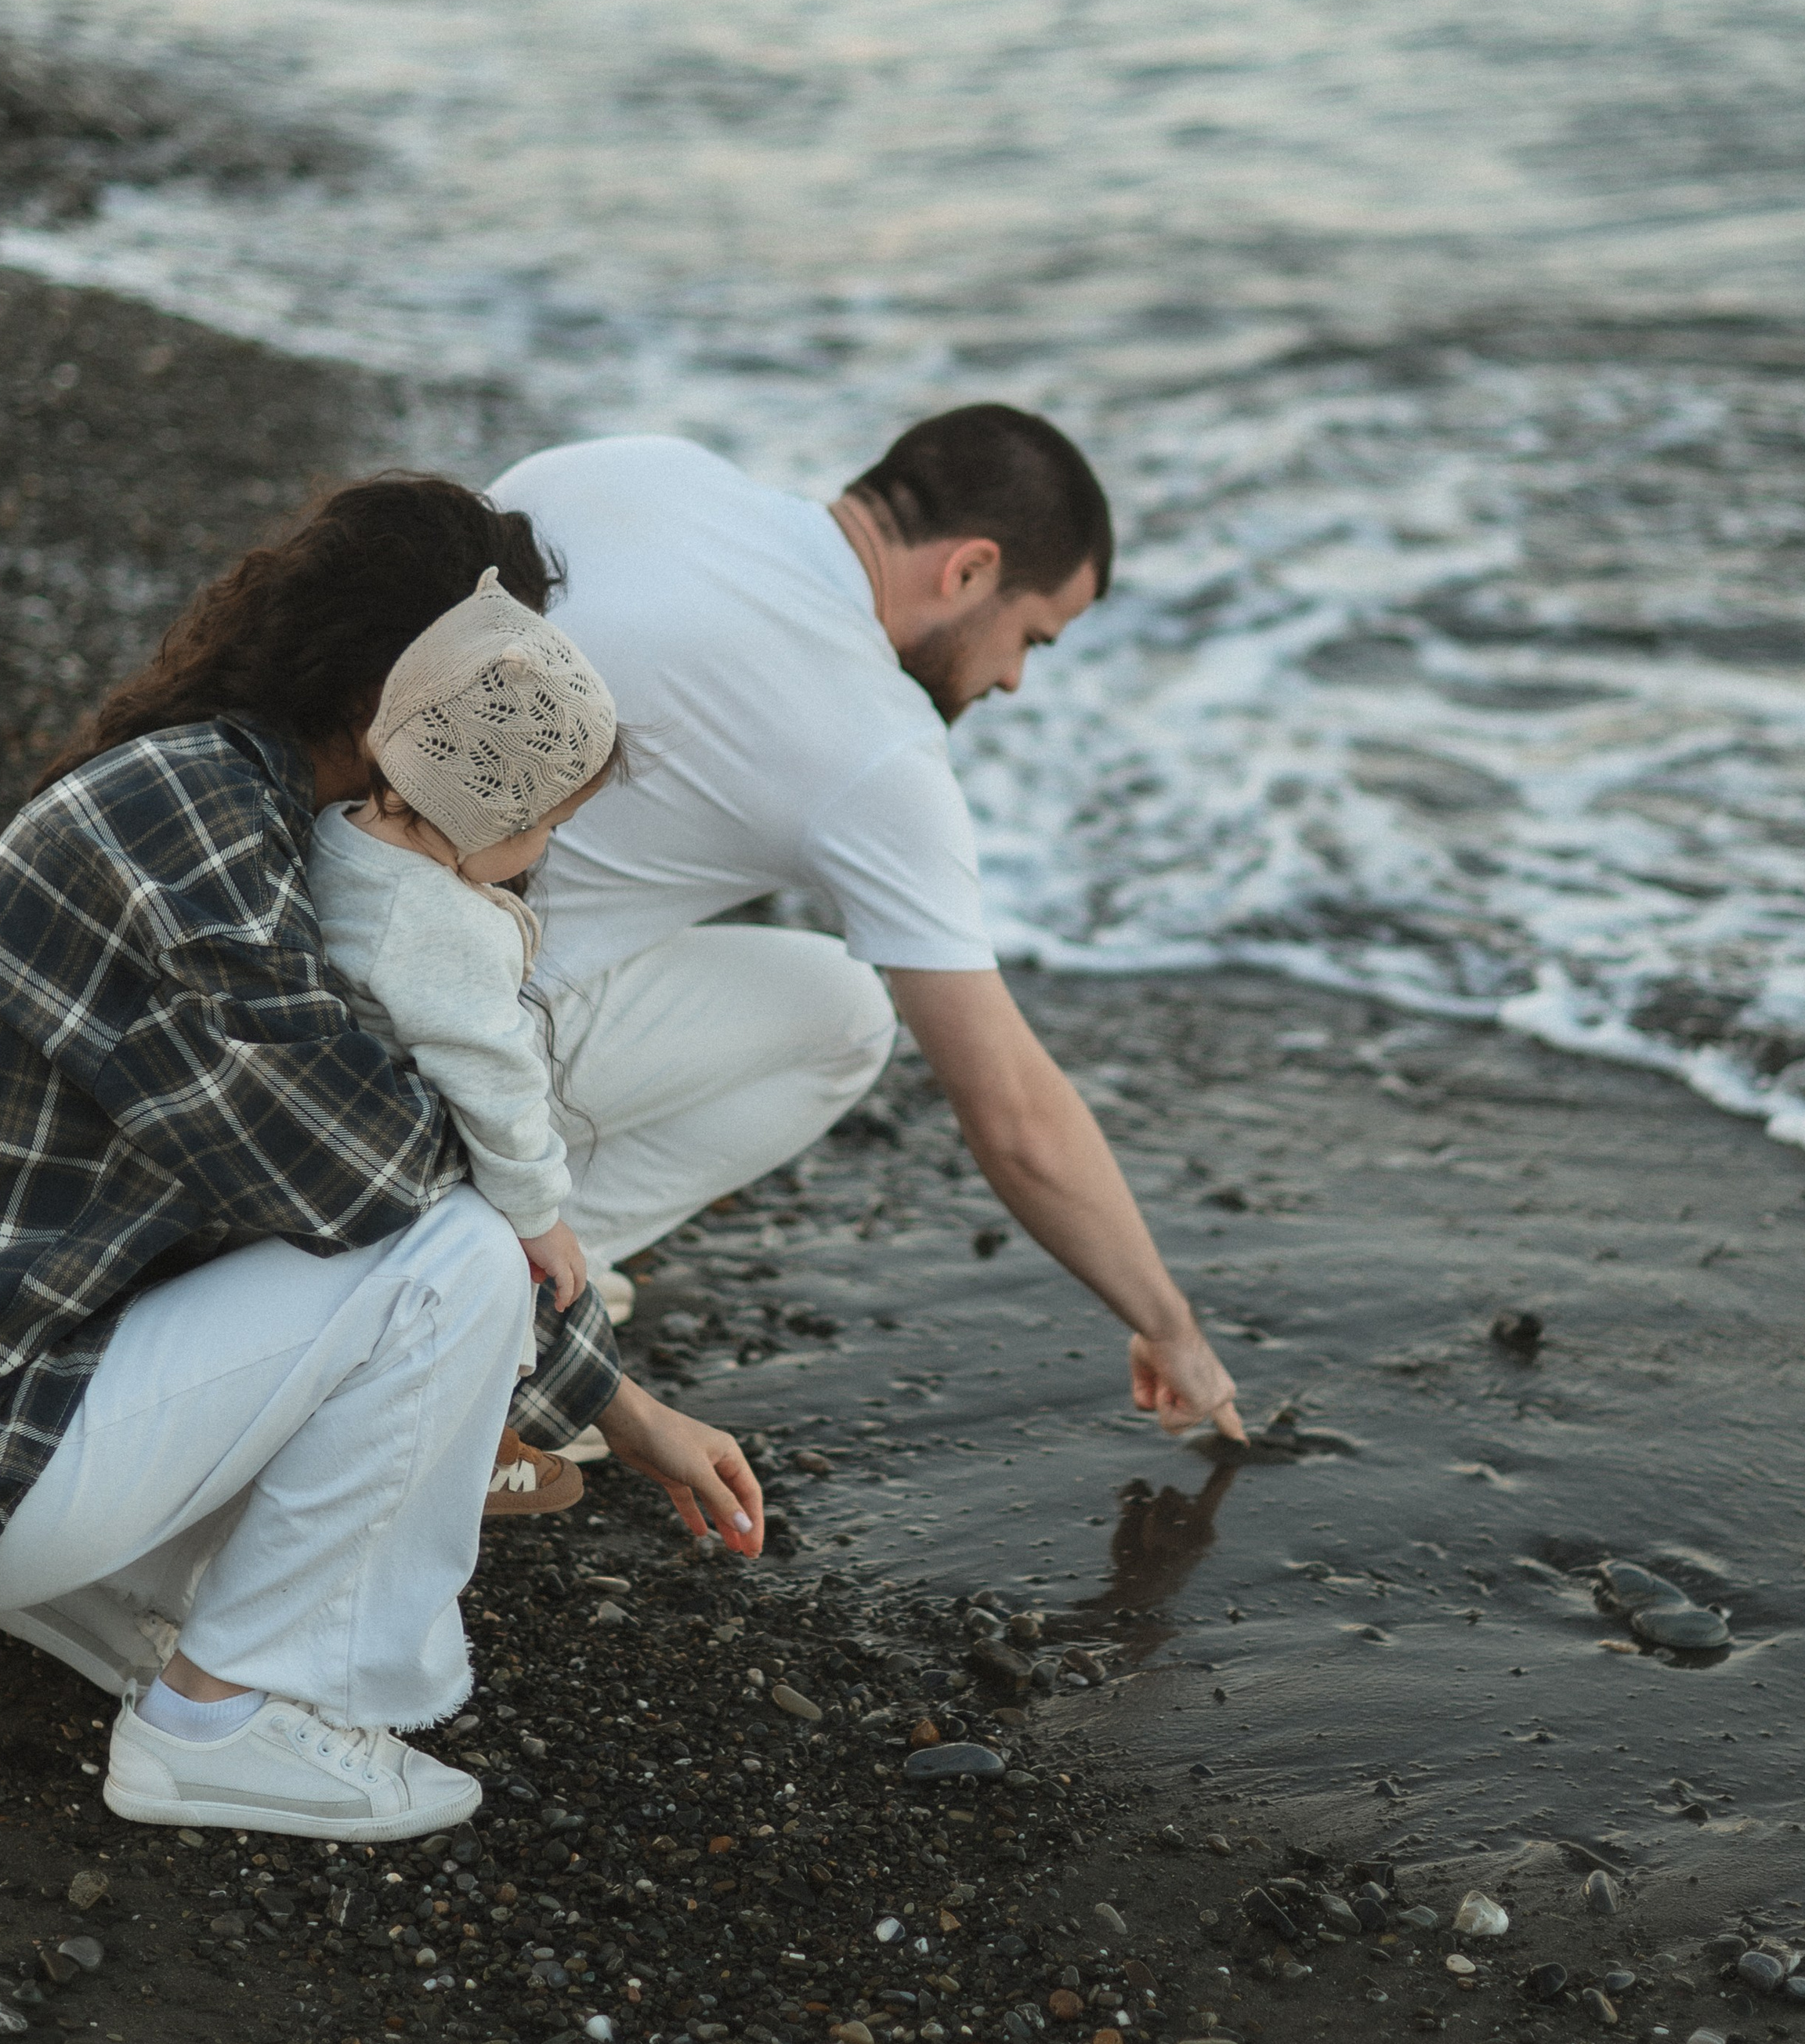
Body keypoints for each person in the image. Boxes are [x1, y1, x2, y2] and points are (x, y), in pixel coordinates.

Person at [0, 474, 759, 1843]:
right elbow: (370, 1183)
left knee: (443, 1226)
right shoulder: (187, 823)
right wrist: (611, 1397)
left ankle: (98, 1598)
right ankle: (220, 1718)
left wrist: (615, 1402)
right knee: (450, 1260)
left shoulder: (255, 801)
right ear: (408, 701)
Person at [487, 403, 1244, 1442]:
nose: (1016, 678)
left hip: (296, 909)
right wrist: (1172, 1328)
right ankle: (501, 1287)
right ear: (970, 569)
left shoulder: (638, 467)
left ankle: (526, 1241)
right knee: (845, 1016)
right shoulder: (871, 745)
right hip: (432, 1045)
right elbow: (1014, 1115)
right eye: (1030, 637)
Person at [310, 563, 635, 1524]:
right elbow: (490, 1077)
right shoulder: (436, 923)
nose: (542, 850)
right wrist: (540, 1211)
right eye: (545, 825)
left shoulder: (339, 835)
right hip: (399, 1169)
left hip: (350, 1125)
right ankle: (480, 1434)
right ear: (493, 812)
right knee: (501, 1254)